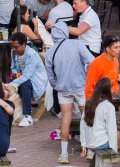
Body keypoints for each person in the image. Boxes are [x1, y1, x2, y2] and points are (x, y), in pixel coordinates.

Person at [46, 21, 95, 165]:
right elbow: (91, 61)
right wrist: (85, 76)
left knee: (65, 119)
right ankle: (90, 150)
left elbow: (50, 77)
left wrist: (57, 85)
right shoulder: (77, 44)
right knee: (86, 117)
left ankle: (64, 154)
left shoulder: (50, 52)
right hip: (80, 86)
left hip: (62, 89)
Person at [7, 32, 47, 128]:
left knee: (23, 84)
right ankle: (16, 112)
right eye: (12, 47)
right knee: (13, 84)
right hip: (23, 78)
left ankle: (27, 116)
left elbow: (26, 76)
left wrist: (13, 83)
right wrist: (14, 77)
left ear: (24, 44)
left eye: (16, 47)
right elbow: (13, 68)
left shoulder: (31, 54)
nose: (14, 49)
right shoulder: (13, 53)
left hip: (37, 81)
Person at [80, 77, 119, 167]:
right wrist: (114, 152)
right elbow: (112, 130)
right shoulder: (108, 106)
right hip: (100, 143)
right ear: (107, 90)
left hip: (90, 142)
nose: (113, 89)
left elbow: (82, 124)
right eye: (111, 87)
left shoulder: (89, 103)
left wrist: (83, 143)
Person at [85, 35, 120, 99]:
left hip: (109, 99)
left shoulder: (115, 60)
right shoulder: (96, 64)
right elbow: (89, 88)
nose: (119, 50)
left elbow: (115, 80)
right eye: (116, 47)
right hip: (97, 101)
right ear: (108, 49)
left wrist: (114, 90)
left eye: (119, 47)